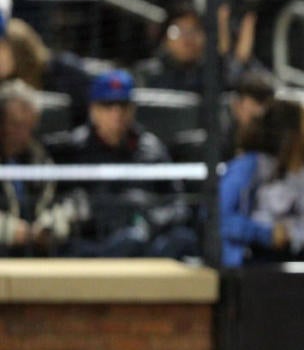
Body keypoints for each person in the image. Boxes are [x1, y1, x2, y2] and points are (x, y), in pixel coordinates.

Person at [45, 70, 195, 258]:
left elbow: (178, 204)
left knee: (181, 239)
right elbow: (54, 204)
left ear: (133, 109)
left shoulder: (152, 149)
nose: (117, 114)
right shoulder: (72, 150)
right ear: (93, 110)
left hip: (145, 242)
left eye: (123, 105)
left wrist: (148, 223)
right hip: (94, 245)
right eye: (108, 105)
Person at [219, 98, 304, 267]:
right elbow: (218, 219)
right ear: (291, 131)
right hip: (255, 264)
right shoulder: (250, 166)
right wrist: (266, 234)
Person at [0, 81, 87, 256]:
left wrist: (50, 225)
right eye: (15, 125)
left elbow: (68, 202)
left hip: (37, 253)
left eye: (29, 127)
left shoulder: (39, 158)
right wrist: (8, 229)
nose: (22, 135)